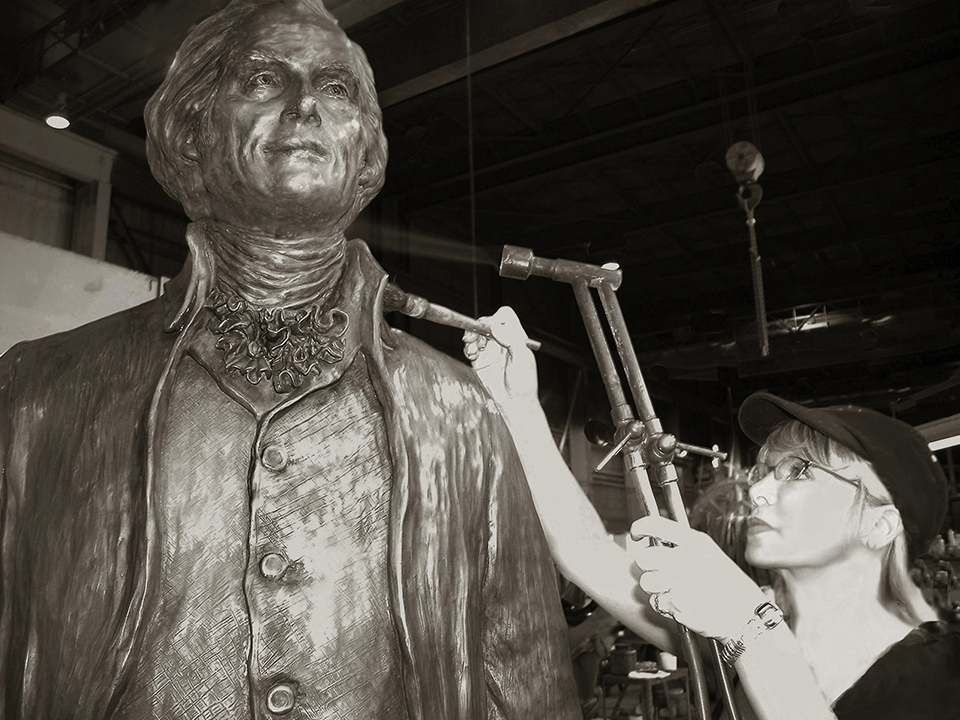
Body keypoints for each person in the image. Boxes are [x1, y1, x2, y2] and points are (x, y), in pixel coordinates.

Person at [0, 3, 580, 718]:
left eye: (336, 90)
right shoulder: (38, 395)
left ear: (364, 148)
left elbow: (528, 689)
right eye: (264, 81)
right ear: (192, 132)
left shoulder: (460, 415)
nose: (306, 106)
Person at [464, 307, 960, 720]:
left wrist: (748, 623)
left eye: (801, 470)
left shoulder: (940, 675)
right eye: (766, 469)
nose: (760, 489)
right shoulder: (754, 636)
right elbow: (585, 550)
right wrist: (518, 405)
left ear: (880, 524)